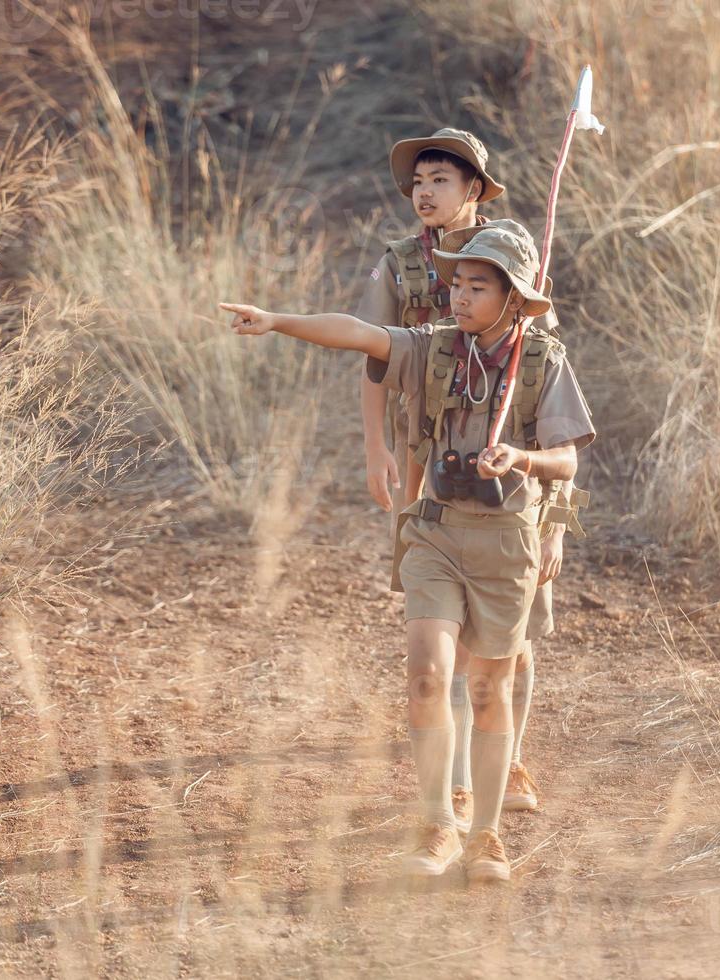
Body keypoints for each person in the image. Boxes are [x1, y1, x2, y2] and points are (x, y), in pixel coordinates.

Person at [222, 221, 594, 883]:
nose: (458, 295)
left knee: (487, 690)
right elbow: (360, 334)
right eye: (456, 283)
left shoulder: (541, 360)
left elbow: (566, 458)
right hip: (435, 532)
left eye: (477, 286)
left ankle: (485, 835)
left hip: (506, 541)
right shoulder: (433, 347)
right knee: (425, 677)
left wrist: (522, 459)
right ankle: (435, 825)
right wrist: (276, 320)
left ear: (512, 298)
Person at [356, 133, 575, 827]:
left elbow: (546, 388)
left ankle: (505, 757)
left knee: (516, 630)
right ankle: (451, 783)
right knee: (436, 624)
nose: (424, 193)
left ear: (474, 189)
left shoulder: (512, 259)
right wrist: (377, 449)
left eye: (441, 180)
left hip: (509, 479)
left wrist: (557, 514)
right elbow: (371, 356)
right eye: (417, 182)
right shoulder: (398, 267)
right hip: (427, 454)